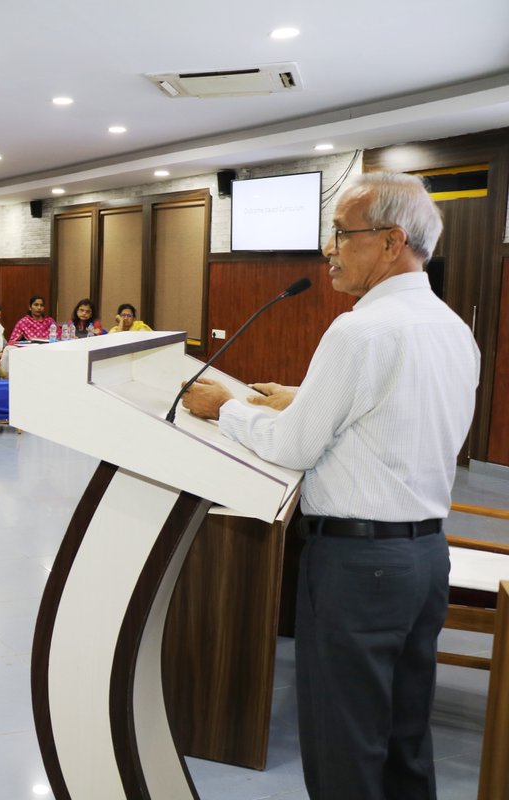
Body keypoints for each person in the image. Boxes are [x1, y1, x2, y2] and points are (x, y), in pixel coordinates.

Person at [180, 172, 480, 800]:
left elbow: (295, 448)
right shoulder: (452, 327)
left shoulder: (359, 330)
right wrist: (300, 398)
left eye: (343, 234)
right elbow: (393, 418)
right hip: (425, 558)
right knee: (403, 739)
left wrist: (223, 409)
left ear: (392, 241)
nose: (329, 249)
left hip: (358, 566)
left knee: (345, 746)